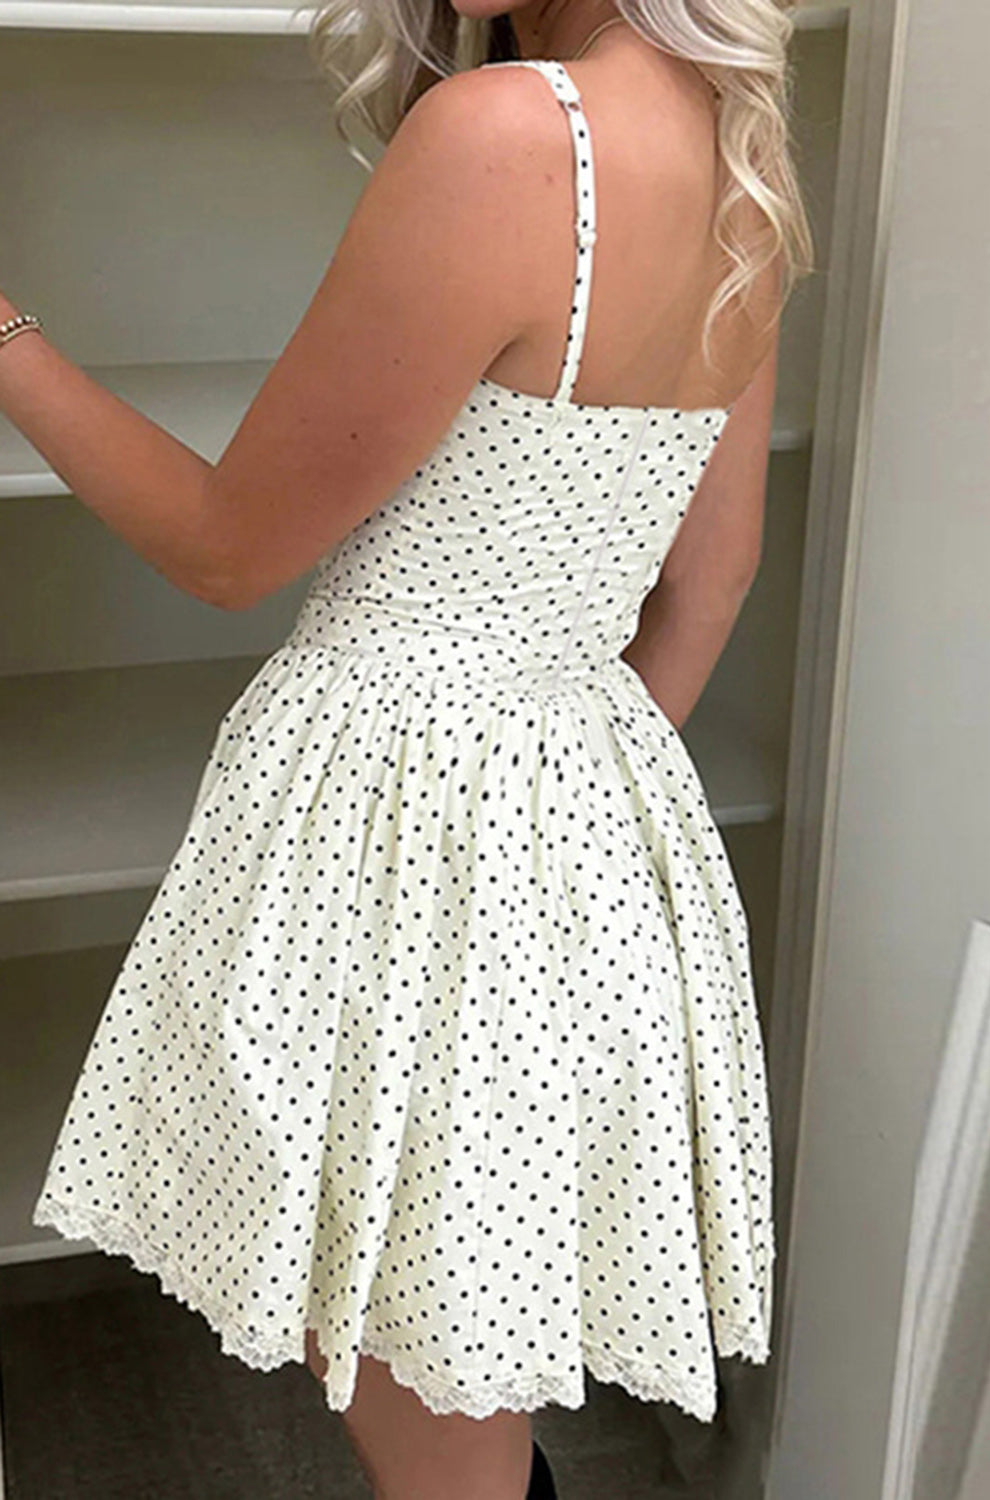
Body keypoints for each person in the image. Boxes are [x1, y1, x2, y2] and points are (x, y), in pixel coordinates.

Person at [1, 1, 813, 1496]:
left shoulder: (511, 133)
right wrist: (556, 836)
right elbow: (713, 580)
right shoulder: (739, 149)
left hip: (389, 815)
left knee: (421, 1389)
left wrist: (7, 343)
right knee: (436, 1341)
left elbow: (227, 549)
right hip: (583, 800)